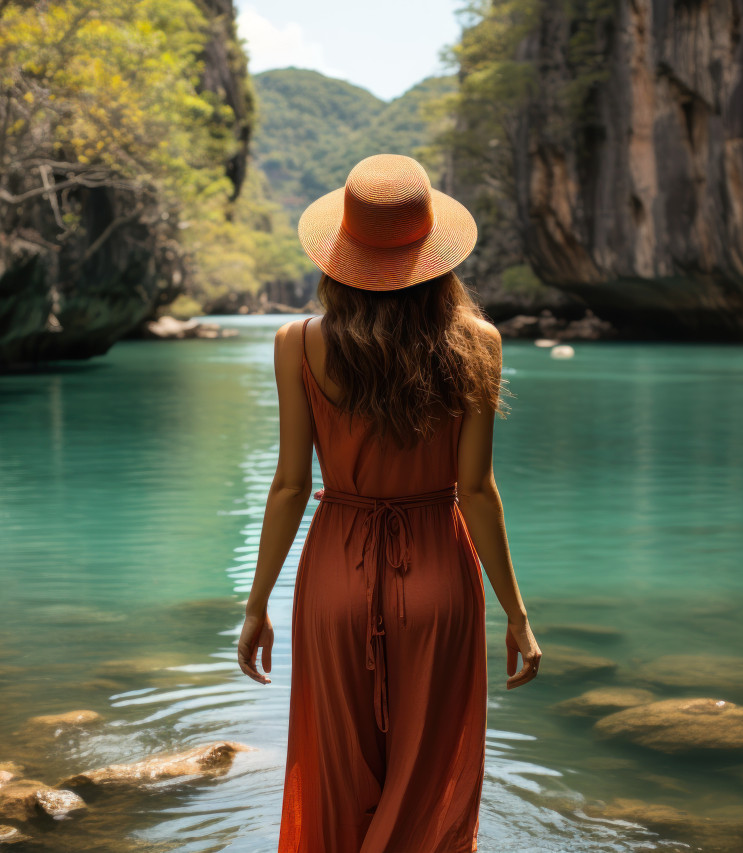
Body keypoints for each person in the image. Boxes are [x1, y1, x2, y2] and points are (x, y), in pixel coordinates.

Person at [237, 153, 541, 852]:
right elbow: (477, 491)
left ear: (339, 255)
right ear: (435, 255)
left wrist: (257, 605)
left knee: (338, 775)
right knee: (430, 778)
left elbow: (288, 485)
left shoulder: (297, 345)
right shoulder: (480, 345)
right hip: (438, 572)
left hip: (334, 575)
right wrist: (516, 614)